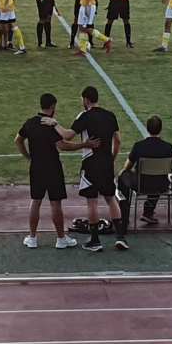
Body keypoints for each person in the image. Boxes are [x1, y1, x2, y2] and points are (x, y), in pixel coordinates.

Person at [14, 92, 94, 250]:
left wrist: (28, 156)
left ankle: (32, 237)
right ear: (52, 107)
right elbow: (63, 145)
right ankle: (60, 238)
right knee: (55, 203)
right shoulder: (50, 125)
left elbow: (18, 140)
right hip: (52, 167)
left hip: (36, 166)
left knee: (35, 201)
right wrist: (84, 145)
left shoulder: (30, 123)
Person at [71, 86, 124, 251]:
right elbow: (118, 140)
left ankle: (95, 240)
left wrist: (53, 124)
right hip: (107, 162)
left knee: (92, 201)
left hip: (91, 163)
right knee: (111, 198)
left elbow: (68, 135)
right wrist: (112, 157)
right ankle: (120, 237)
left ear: (86, 99)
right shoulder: (110, 116)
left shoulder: (84, 116)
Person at [117, 115, 172, 230]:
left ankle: (125, 215)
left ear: (147, 129)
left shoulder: (139, 146)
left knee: (123, 175)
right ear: (161, 129)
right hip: (162, 185)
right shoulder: (168, 147)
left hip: (141, 185)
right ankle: (148, 212)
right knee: (157, 178)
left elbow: (127, 166)